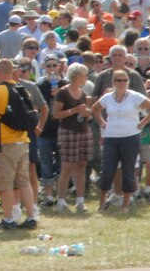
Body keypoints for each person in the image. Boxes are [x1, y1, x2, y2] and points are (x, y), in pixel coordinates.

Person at [91, 70, 150, 213]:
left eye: (124, 80)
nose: (122, 83)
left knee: (129, 169)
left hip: (130, 136)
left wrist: (142, 123)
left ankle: (126, 204)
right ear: (113, 82)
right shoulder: (108, 97)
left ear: (128, 82)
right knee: (108, 168)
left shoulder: (134, 96)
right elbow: (95, 108)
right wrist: (102, 122)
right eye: (118, 80)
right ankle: (102, 202)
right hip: (111, 136)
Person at [0, 59, 38, 230]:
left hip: (3, 144)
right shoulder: (21, 89)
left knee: (5, 183)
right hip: (22, 141)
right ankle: (31, 217)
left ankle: (8, 219)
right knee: (24, 182)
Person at [52, 63, 93, 213]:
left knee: (82, 165)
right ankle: (61, 200)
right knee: (67, 166)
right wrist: (75, 110)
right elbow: (56, 114)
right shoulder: (63, 92)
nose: (86, 78)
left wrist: (87, 112)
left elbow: (84, 114)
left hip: (83, 130)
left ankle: (80, 200)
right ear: (77, 75)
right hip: (68, 131)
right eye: (84, 75)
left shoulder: (82, 93)